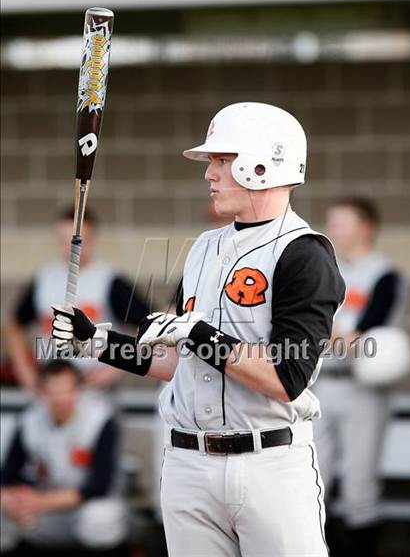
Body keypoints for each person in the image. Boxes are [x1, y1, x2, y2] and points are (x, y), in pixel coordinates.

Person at [51, 102, 346, 557]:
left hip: (268, 464)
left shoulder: (304, 253)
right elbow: (175, 362)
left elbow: (287, 379)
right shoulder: (205, 248)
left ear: (262, 163)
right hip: (188, 464)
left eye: (222, 161)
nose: (210, 173)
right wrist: (98, 342)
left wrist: (197, 333)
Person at [313, 198, 405, 556]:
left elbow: (362, 339)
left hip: (362, 388)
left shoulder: (384, 274)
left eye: (340, 223)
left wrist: (326, 329)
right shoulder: (325, 271)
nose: (332, 230)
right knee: (313, 483)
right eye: (331, 222)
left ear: (365, 228)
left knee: (358, 489)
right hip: (320, 384)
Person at [7, 207, 149, 393]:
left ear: (92, 239)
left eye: (77, 240)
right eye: (64, 240)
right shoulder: (44, 279)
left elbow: (149, 328)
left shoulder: (109, 280)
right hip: (52, 387)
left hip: (93, 388)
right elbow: (14, 325)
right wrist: (26, 373)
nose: (71, 247)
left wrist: (115, 368)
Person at [0, 359, 128, 554]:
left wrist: (40, 501)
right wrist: (13, 499)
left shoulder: (101, 419)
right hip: (44, 511)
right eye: (53, 391)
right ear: (41, 391)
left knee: (99, 519)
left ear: (79, 390)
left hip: (84, 507)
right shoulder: (29, 420)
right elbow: (7, 475)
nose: (60, 398)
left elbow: (100, 486)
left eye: (66, 390)